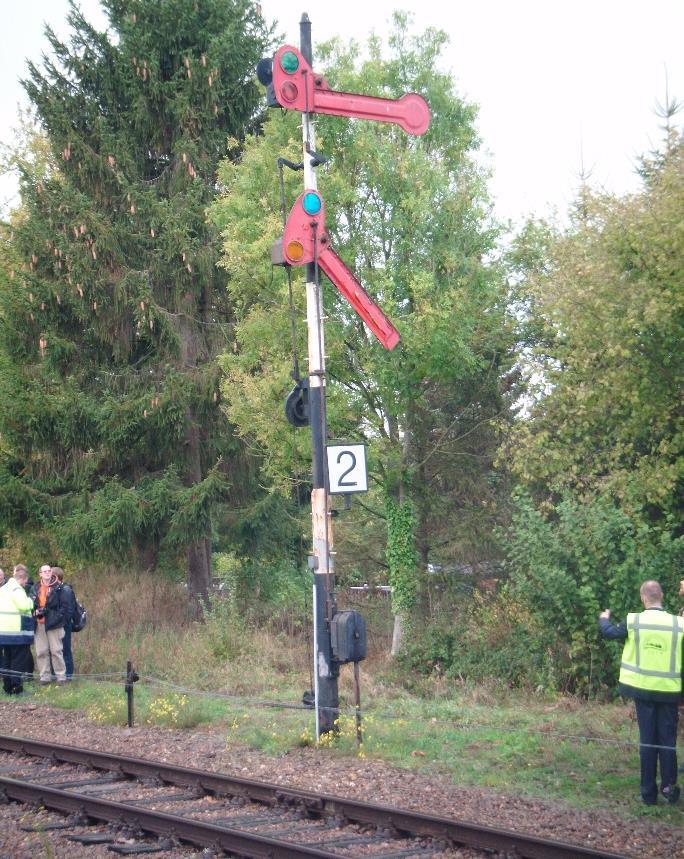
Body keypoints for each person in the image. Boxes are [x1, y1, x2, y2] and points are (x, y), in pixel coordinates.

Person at [599, 580, 684, 805]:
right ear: (662, 596)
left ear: (643, 598)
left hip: (643, 691)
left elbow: (608, 633)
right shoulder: (679, 624)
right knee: (667, 742)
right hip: (669, 692)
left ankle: (648, 794)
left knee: (647, 741)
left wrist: (603, 618)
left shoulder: (633, 621)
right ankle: (669, 788)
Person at [30, 564, 68, 686]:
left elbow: (64, 608)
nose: (47, 573)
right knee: (41, 651)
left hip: (54, 624)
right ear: (40, 574)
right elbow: (30, 604)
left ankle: (61, 677)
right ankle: (44, 677)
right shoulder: (35, 588)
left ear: (52, 573)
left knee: (56, 651)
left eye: (48, 571)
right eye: (44, 571)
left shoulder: (59, 587)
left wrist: (51, 615)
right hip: (39, 623)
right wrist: (34, 611)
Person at [0, 564, 35, 694]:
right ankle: (17, 688)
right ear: (24, 579)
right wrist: (31, 600)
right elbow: (24, 605)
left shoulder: (4, 588)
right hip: (16, 633)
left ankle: (7, 687)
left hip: (3, 633)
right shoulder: (17, 589)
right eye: (26, 581)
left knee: (7, 660)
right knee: (18, 661)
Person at [52, 567, 76, 680]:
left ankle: (69, 675)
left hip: (65, 624)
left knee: (65, 649)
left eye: (51, 575)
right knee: (57, 649)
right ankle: (57, 674)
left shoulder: (66, 590)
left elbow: (69, 610)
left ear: (57, 576)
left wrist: (63, 623)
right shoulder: (55, 589)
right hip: (57, 624)